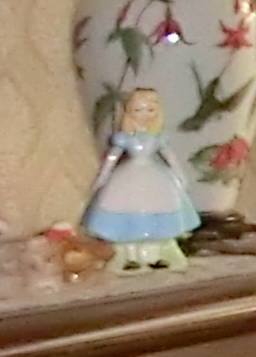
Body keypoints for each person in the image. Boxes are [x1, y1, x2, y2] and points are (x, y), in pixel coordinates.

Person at [81, 86, 199, 270]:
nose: (144, 114)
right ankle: (128, 254)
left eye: (150, 110)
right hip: (128, 176)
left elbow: (170, 157)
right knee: (123, 207)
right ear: (129, 112)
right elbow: (111, 159)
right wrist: (102, 178)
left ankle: (158, 252)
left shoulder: (158, 137)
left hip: (155, 176)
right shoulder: (124, 138)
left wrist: (180, 175)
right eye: (138, 110)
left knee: (163, 205)